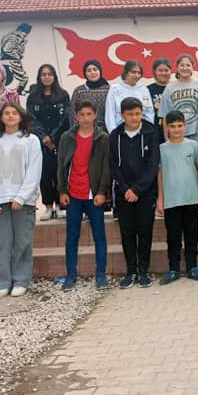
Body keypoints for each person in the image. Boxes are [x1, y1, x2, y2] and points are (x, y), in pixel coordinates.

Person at [0, 103, 42, 298]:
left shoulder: (31, 140)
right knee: (1, 244)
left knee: (22, 243)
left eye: (14, 113)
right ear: (1, 118)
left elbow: (34, 171)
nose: (10, 116)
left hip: (23, 201)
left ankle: (21, 281)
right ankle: (2, 282)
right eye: (6, 113)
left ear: (21, 116)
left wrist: (21, 197)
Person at [56, 100, 110, 291]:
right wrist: (62, 190)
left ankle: (101, 275)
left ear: (95, 115)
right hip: (73, 195)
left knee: (99, 236)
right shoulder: (67, 137)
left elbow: (106, 168)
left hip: (94, 195)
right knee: (72, 236)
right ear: (76, 116)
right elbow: (61, 165)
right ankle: (71, 275)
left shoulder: (102, 138)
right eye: (82, 114)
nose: (86, 118)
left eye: (89, 114)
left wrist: (102, 192)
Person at [109, 97, 159, 289]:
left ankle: (143, 271)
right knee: (127, 232)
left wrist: (137, 189)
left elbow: (153, 164)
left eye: (138, 113)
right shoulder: (115, 135)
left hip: (145, 193)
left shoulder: (151, 132)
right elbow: (113, 166)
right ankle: (131, 271)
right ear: (122, 115)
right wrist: (126, 189)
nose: (134, 117)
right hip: (123, 193)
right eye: (130, 114)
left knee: (145, 232)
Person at [156, 111, 198, 283]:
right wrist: (160, 199)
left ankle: (193, 267)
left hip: (191, 198)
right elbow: (160, 175)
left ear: (185, 126)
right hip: (171, 200)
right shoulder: (162, 149)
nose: (176, 129)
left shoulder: (193, 146)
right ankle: (173, 269)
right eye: (172, 126)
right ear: (167, 128)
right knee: (173, 236)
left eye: (179, 126)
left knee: (192, 234)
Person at [27, 64, 71, 221]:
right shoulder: (33, 97)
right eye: (43, 74)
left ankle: (60, 205)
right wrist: (44, 137)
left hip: (59, 140)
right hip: (40, 142)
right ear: (39, 77)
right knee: (44, 174)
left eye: (49, 74)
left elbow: (65, 118)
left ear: (54, 76)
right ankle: (48, 206)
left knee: (60, 172)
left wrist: (52, 137)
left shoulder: (63, 95)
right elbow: (31, 119)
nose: (47, 77)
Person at [160, 53, 198, 143]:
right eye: (182, 65)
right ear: (177, 67)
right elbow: (165, 114)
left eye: (188, 65)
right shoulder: (169, 88)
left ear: (192, 68)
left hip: (195, 132)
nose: (185, 68)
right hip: (176, 133)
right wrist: (166, 137)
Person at [105, 60, 155, 133]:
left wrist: (148, 131)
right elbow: (110, 113)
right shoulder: (114, 89)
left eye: (139, 73)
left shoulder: (144, 90)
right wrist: (113, 133)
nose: (136, 75)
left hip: (140, 132)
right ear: (126, 73)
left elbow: (148, 112)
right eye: (133, 72)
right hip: (120, 131)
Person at [68, 60, 110, 132]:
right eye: (89, 70)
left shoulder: (109, 90)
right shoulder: (79, 91)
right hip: (84, 131)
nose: (92, 72)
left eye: (95, 69)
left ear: (100, 71)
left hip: (106, 131)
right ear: (85, 73)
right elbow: (73, 113)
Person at [147, 57, 172, 125]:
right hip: (154, 128)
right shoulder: (147, 90)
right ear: (155, 72)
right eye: (160, 70)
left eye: (166, 70)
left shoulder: (175, 88)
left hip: (173, 127)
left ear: (170, 71)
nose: (163, 73)